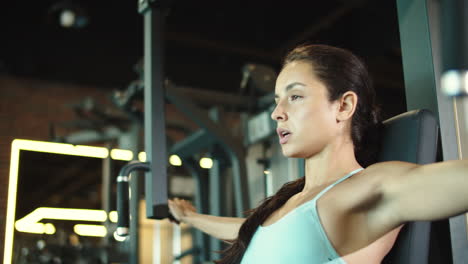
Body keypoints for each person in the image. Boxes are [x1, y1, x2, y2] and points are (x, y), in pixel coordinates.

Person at [168, 44, 468, 264]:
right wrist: (190, 217)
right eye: (278, 100)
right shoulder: (291, 204)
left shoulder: (361, 192)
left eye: (295, 96)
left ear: (343, 106)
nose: (277, 113)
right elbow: (248, 232)